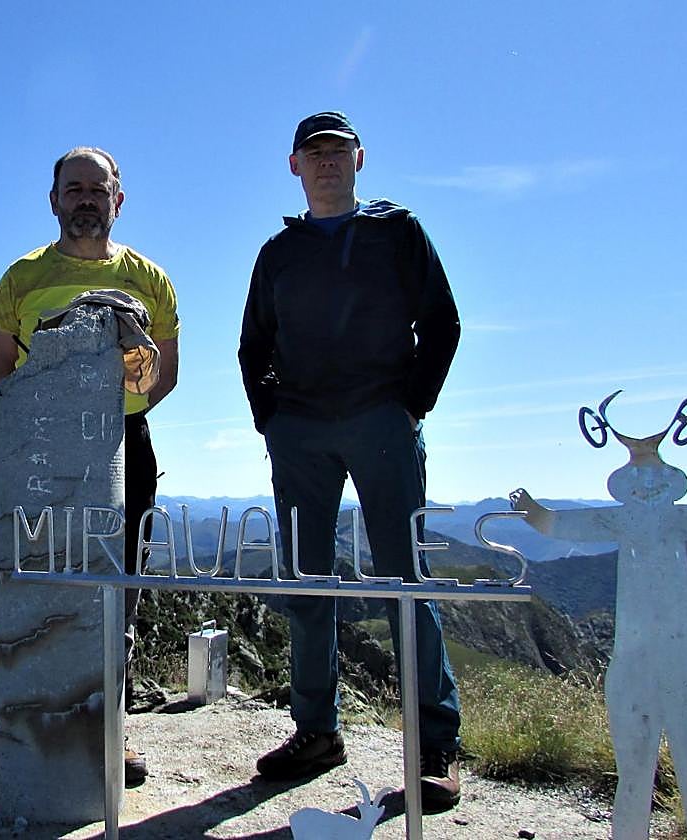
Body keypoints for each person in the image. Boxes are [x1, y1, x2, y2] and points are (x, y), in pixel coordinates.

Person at [238, 111, 462, 810]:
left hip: (381, 422)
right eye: (315, 152)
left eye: (338, 150)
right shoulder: (279, 250)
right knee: (308, 582)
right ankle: (317, 732)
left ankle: (433, 745)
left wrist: (410, 406)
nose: (327, 161)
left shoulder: (398, 232)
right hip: (300, 430)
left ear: (360, 159)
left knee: (406, 578)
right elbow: (253, 343)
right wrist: (270, 419)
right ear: (294, 166)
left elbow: (443, 321)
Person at [0, 146, 179, 786]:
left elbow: (163, 376)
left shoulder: (151, 280)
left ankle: (110, 728)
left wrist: (122, 379)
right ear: (54, 200)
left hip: (124, 441)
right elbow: (1, 369)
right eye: (74, 189)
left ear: (118, 201)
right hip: (42, 446)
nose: (86, 199)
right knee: (48, 578)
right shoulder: (20, 277)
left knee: (117, 587)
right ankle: (41, 716)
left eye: (98, 189)